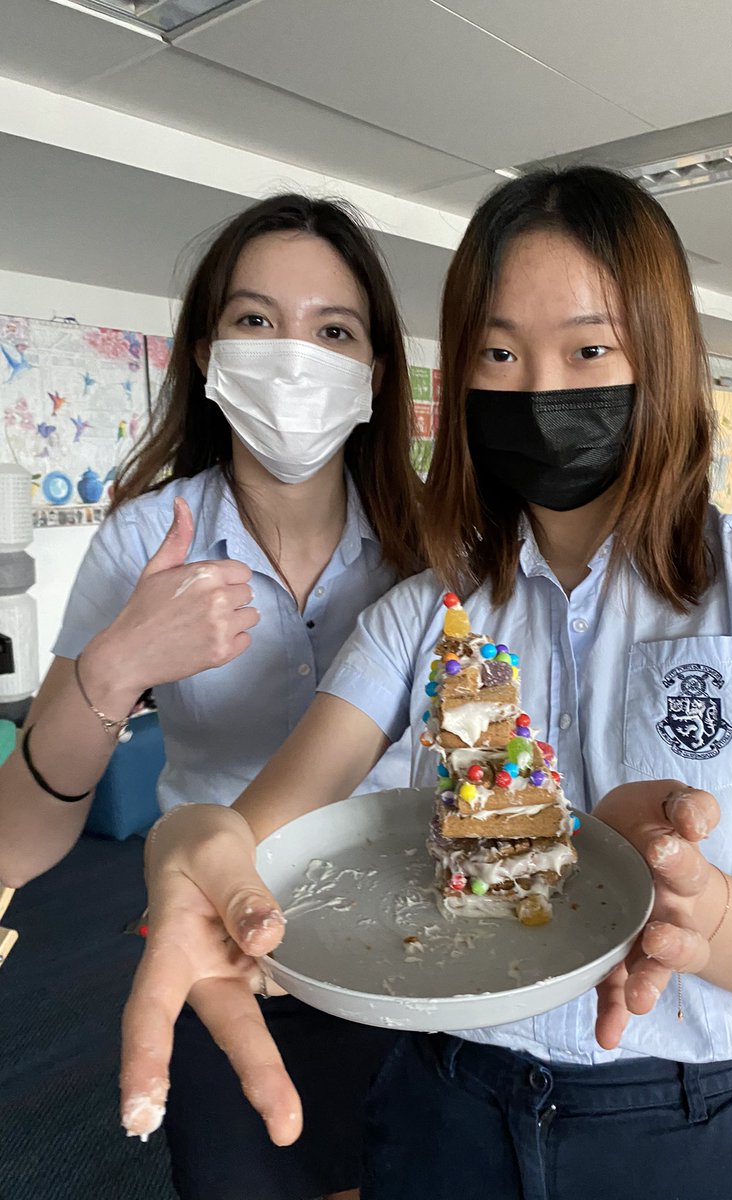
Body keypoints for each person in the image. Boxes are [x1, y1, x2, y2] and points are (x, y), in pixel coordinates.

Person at [120, 167, 732, 1200]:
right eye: (498, 353)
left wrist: (695, 906)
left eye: (588, 349)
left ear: (661, 358)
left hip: (696, 1125)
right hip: (451, 1112)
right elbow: (254, 828)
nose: (538, 389)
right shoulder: (423, 613)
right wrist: (185, 848)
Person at [0, 194, 423, 1200]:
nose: (294, 358)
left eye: (333, 331)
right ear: (206, 354)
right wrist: (115, 668)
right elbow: (13, 846)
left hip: (409, 956)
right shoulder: (148, 540)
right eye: (255, 320)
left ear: (374, 371)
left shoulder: (433, 546)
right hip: (218, 948)